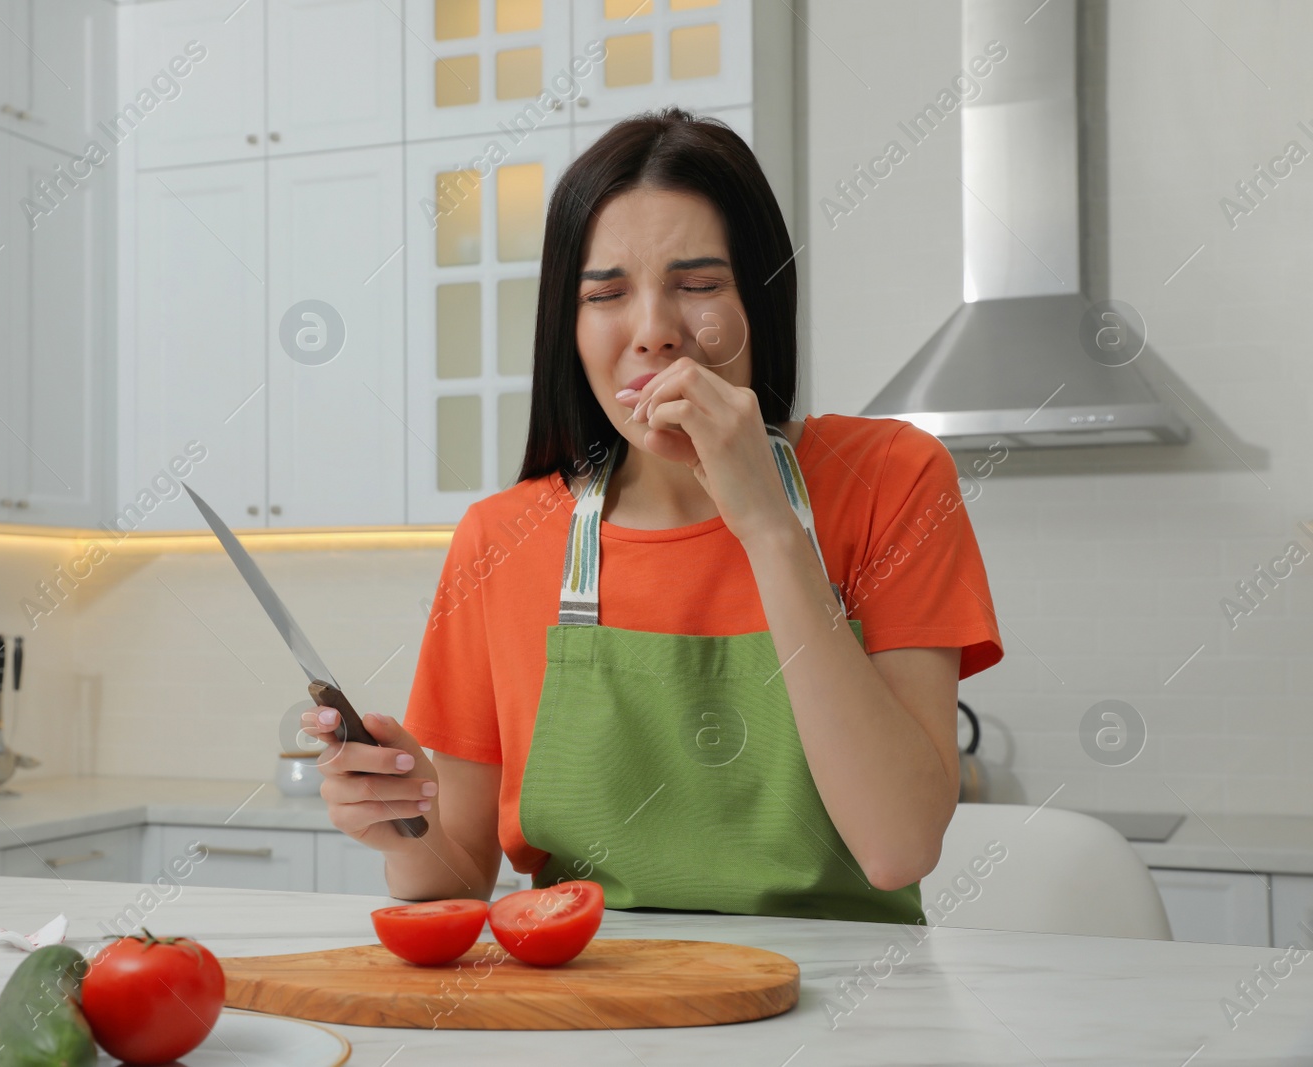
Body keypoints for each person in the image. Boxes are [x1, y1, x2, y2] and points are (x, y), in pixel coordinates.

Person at [303, 107, 1003, 923]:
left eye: (699, 286)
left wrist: (770, 527)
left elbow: (899, 845)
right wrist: (398, 824)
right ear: (569, 329)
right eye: (606, 295)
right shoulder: (499, 539)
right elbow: (460, 877)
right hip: (595, 1014)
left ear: (761, 302)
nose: (654, 334)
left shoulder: (894, 479)